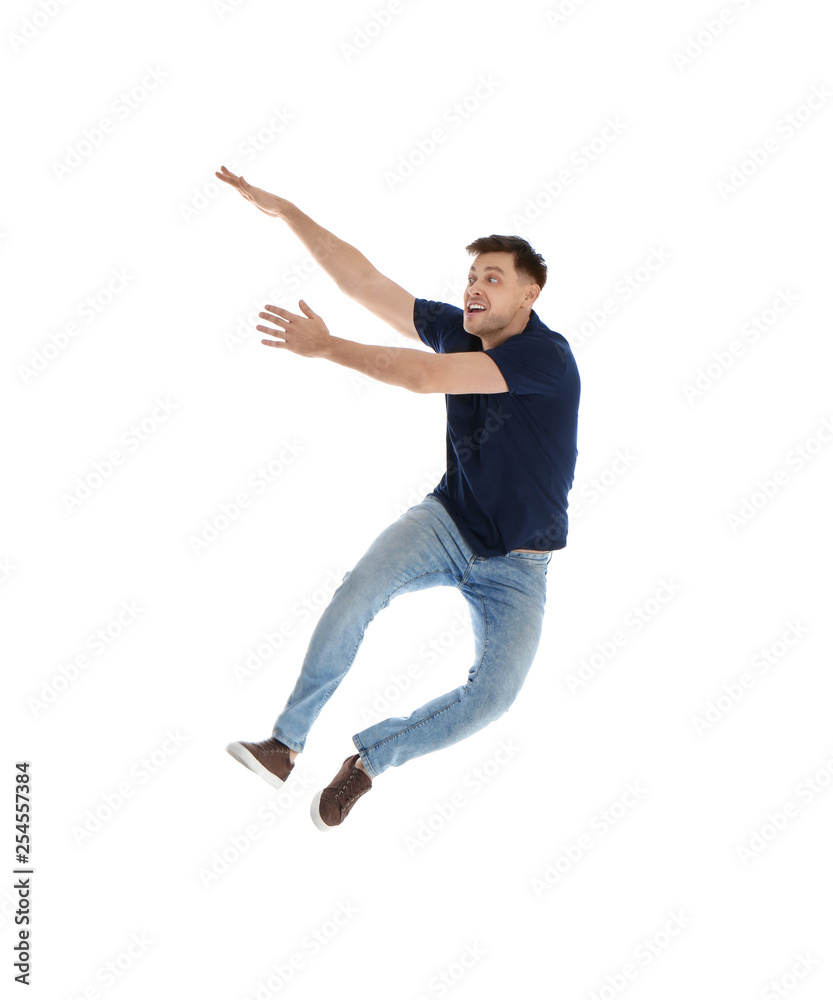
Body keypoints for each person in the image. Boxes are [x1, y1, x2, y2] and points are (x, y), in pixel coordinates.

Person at [216, 165, 580, 831]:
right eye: (471, 277)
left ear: (530, 293)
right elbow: (364, 282)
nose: (474, 288)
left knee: (493, 698)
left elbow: (421, 376)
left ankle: (369, 762)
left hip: (520, 564)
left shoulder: (544, 359)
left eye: (493, 279)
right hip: (448, 520)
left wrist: (327, 347)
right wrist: (287, 210)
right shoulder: (459, 328)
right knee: (358, 592)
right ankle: (283, 746)